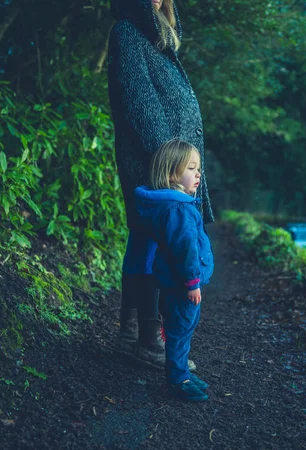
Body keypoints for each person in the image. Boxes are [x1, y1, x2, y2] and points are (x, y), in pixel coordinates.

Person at [107, 0, 214, 370]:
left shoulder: (155, 40)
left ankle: (135, 334)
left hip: (166, 165)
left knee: (149, 240)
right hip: (153, 164)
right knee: (150, 241)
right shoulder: (127, 32)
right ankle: (146, 337)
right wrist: (172, 163)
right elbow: (139, 101)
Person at [134, 139, 213, 401]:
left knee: (182, 329)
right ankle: (178, 380)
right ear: (171, 174)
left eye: (198, 168)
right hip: (182, 285)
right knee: (180, 330)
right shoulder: (178, 209)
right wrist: (192, 283)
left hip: (177, 282)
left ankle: (181, 373)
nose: (198, 173)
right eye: (191, 168)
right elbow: (184, 249)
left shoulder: (176, 205)